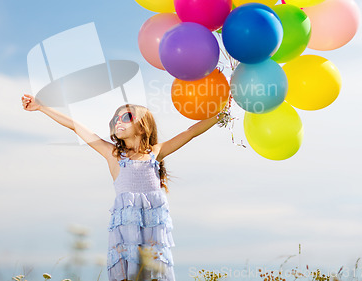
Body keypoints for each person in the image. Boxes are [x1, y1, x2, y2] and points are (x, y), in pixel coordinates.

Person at [21, 94, 219, 281]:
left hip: (153, 234)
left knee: (154, 274)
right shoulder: (113, 154)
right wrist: (41, 107)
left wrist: (221, 114)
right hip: (125, 234)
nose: (118, 121)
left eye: (127, 117)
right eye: (116, 118)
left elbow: (191, 132)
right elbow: (75, 126)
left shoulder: (155, 153)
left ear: (143, 126)